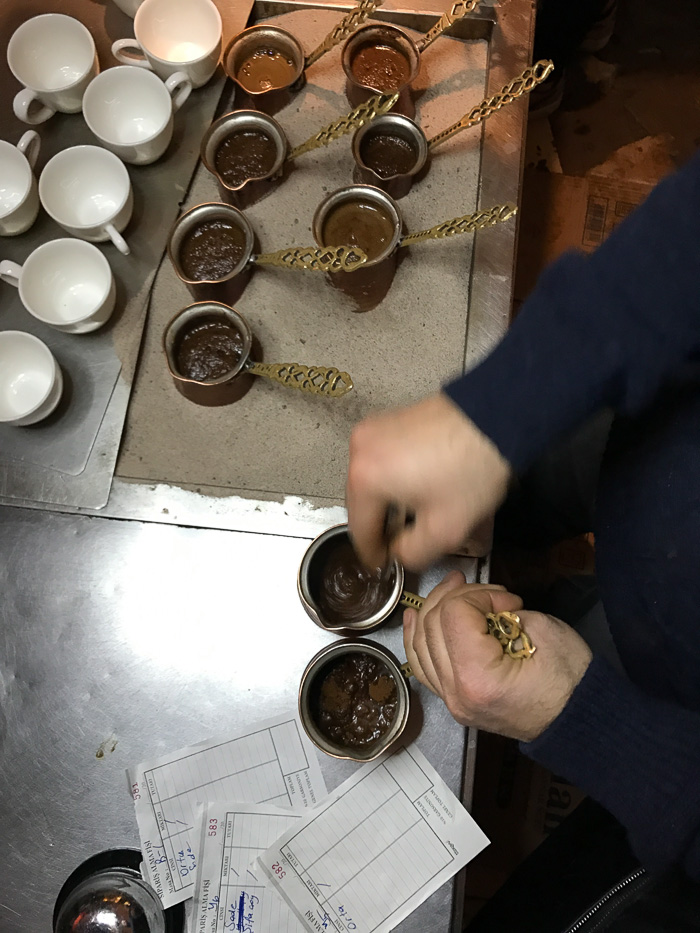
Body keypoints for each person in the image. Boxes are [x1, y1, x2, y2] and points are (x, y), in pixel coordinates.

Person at [345, 148, 700, 926]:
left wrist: (598, 727)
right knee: (530, 518)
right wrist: (504, 408)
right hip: (654, 461)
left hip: (672, 724)